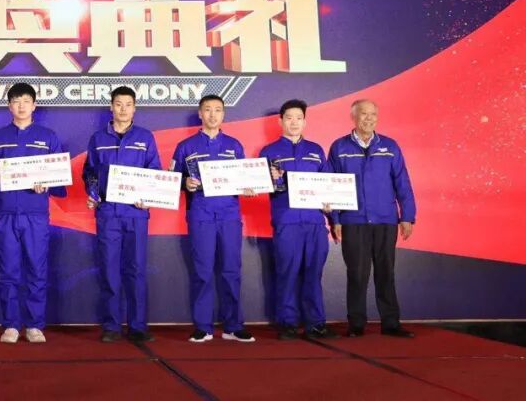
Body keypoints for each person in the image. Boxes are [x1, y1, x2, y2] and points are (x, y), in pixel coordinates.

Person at [0, 83, 67, 344]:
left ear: (34, 105)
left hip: (36, 213)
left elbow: (59, 179)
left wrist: (47, 184)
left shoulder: (48, 137)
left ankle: (34, 325)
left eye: (26, 101)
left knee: (36, 269)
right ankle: (10, 324)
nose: (21, 106)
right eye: (16, 101)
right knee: (7, 269)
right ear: (9, 106)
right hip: (6, 212)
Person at [327, 99, 416, 338]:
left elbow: (402, 183)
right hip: (353, 220)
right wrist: (335, 219)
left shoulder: (390, 146)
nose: (369, 118)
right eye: (364, 114)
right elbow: (330, 186)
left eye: (373, 114)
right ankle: (356, 324)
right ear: (353, 117)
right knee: (357, 274)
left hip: (386, 220)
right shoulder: (339, 147)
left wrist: (407, 216)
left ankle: (391, 323)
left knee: (386, 272)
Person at [171, 94, 255, 343]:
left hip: (229, 214)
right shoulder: (185, 147)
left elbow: (244, 177)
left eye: (217, 110)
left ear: (223, 114)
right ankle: (203, 326)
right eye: (207, 109)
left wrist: (249, 185)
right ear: (200, 113)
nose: (212, 114)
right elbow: (171, 180)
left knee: (231, 269)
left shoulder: (234, 145)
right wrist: (184, 183)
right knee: (202, 271)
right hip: (201, 213)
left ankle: (233, 326)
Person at [82, 86, 161, 343]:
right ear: (111, 107)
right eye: (118, 104)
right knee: (109, 269)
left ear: (134, 108)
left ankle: (138, 326)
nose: (123, 109)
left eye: (128, 104)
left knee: (136, 269)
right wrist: (93, 193)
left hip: (136, 213)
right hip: (108, 213)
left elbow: (155, 172)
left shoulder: (145, 137)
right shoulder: (98, 138)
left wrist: (149, 197)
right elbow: (90, 172)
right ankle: (111, 326)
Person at [258, 99, 336, 340]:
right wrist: (273, 179)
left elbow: (328, 184)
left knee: (314, 273)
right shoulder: (268, 152)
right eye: (289, 118)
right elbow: (262, 186)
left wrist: (333, 215)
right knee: (287, 272)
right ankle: (287, 323)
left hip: (314, 222)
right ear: (280, 121)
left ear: (305, 122)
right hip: (287, 221)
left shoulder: (316, 150)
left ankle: (316, 323)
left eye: (299, 118)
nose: (294, 122)